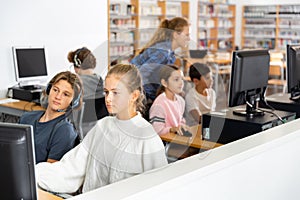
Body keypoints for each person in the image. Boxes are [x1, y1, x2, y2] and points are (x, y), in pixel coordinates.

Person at [36, 64, 168, 194]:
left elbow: (159, 190)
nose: (108, 99)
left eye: (116, 93)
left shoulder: (147, 138)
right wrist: (32, 173)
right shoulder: (103, 126)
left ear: (134, 96)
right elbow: (70, 169)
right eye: (106, 92)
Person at [19, 71, 83, 164]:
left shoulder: (65, 130)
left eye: (65, 94)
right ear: (49, 90)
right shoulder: (26, 117)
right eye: (55, 90)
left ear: (73, 101)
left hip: (36, 177)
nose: (58, 96)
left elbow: (49, 172)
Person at [130, 17, 190, 101]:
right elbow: (141, 76)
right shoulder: (162, 53)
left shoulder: (170, 54)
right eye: (187, 35)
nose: (189, 39)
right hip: (138, 94)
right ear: (176, 34)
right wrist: (154, 97)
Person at [149, 64, 188, 136]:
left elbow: (181, 121)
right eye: (176, 79)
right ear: (164, 83)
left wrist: (182, 126)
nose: (181, 83)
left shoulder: (180, 100)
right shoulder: (159, 105)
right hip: (165, 144)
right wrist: (171, 129)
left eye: (182, 79)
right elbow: (156, 131)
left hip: (177, 139)